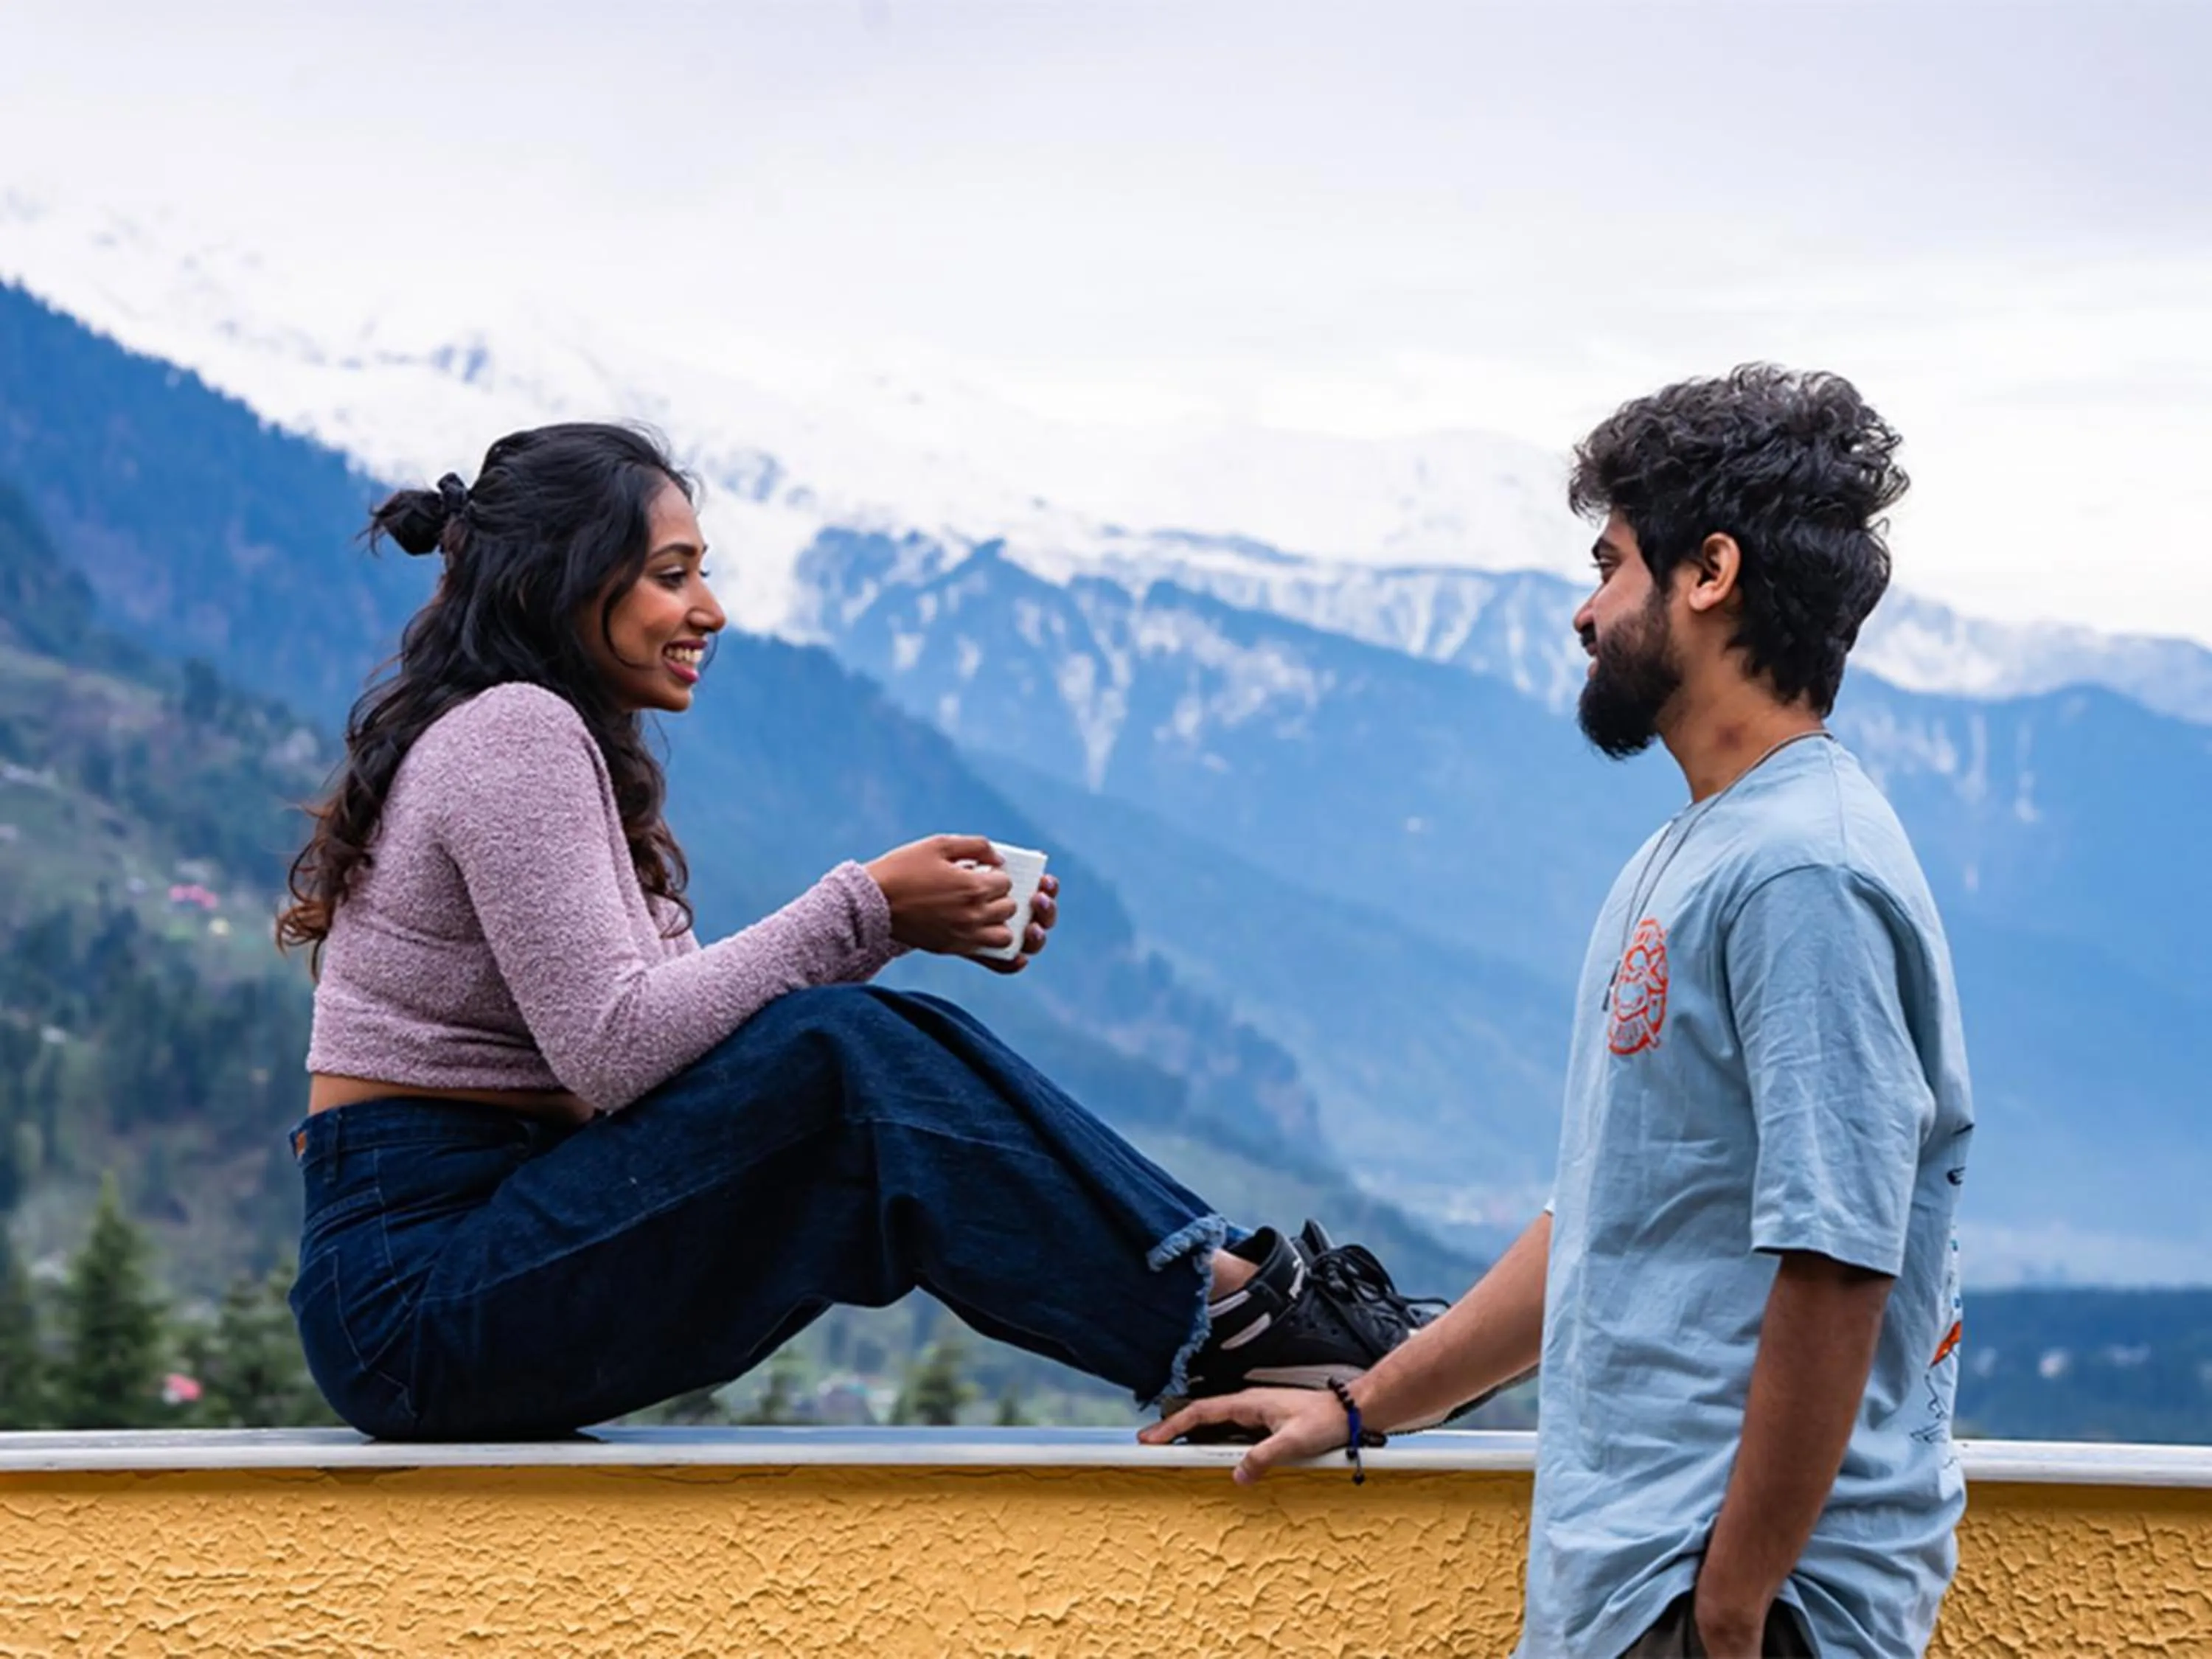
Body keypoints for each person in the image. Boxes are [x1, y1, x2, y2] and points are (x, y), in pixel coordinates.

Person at [276, 421, 1434, 1441]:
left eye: (704, 573)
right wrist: (869, 907)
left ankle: (1237, 1303)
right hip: (417, 1290)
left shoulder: (551, 747)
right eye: (672, 575)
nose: (710, 611)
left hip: (463, 1259)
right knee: (847, 1057)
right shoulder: (514, 733)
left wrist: (898, 928)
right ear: (565, 584)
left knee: (863, 1047)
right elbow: (616, 1049)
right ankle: (1240, 1316)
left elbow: (689, 1063)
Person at [1147, 367, 1975, 1659]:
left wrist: (1733, 1601)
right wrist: (1365, 1405)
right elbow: (1596, 1224)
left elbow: (1839, 1258)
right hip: (1642, 1589)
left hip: (1733, 1602)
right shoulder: (1695, 854)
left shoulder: (1806, 870)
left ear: (1709, 573)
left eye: (1610, 564)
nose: (1586, 613)